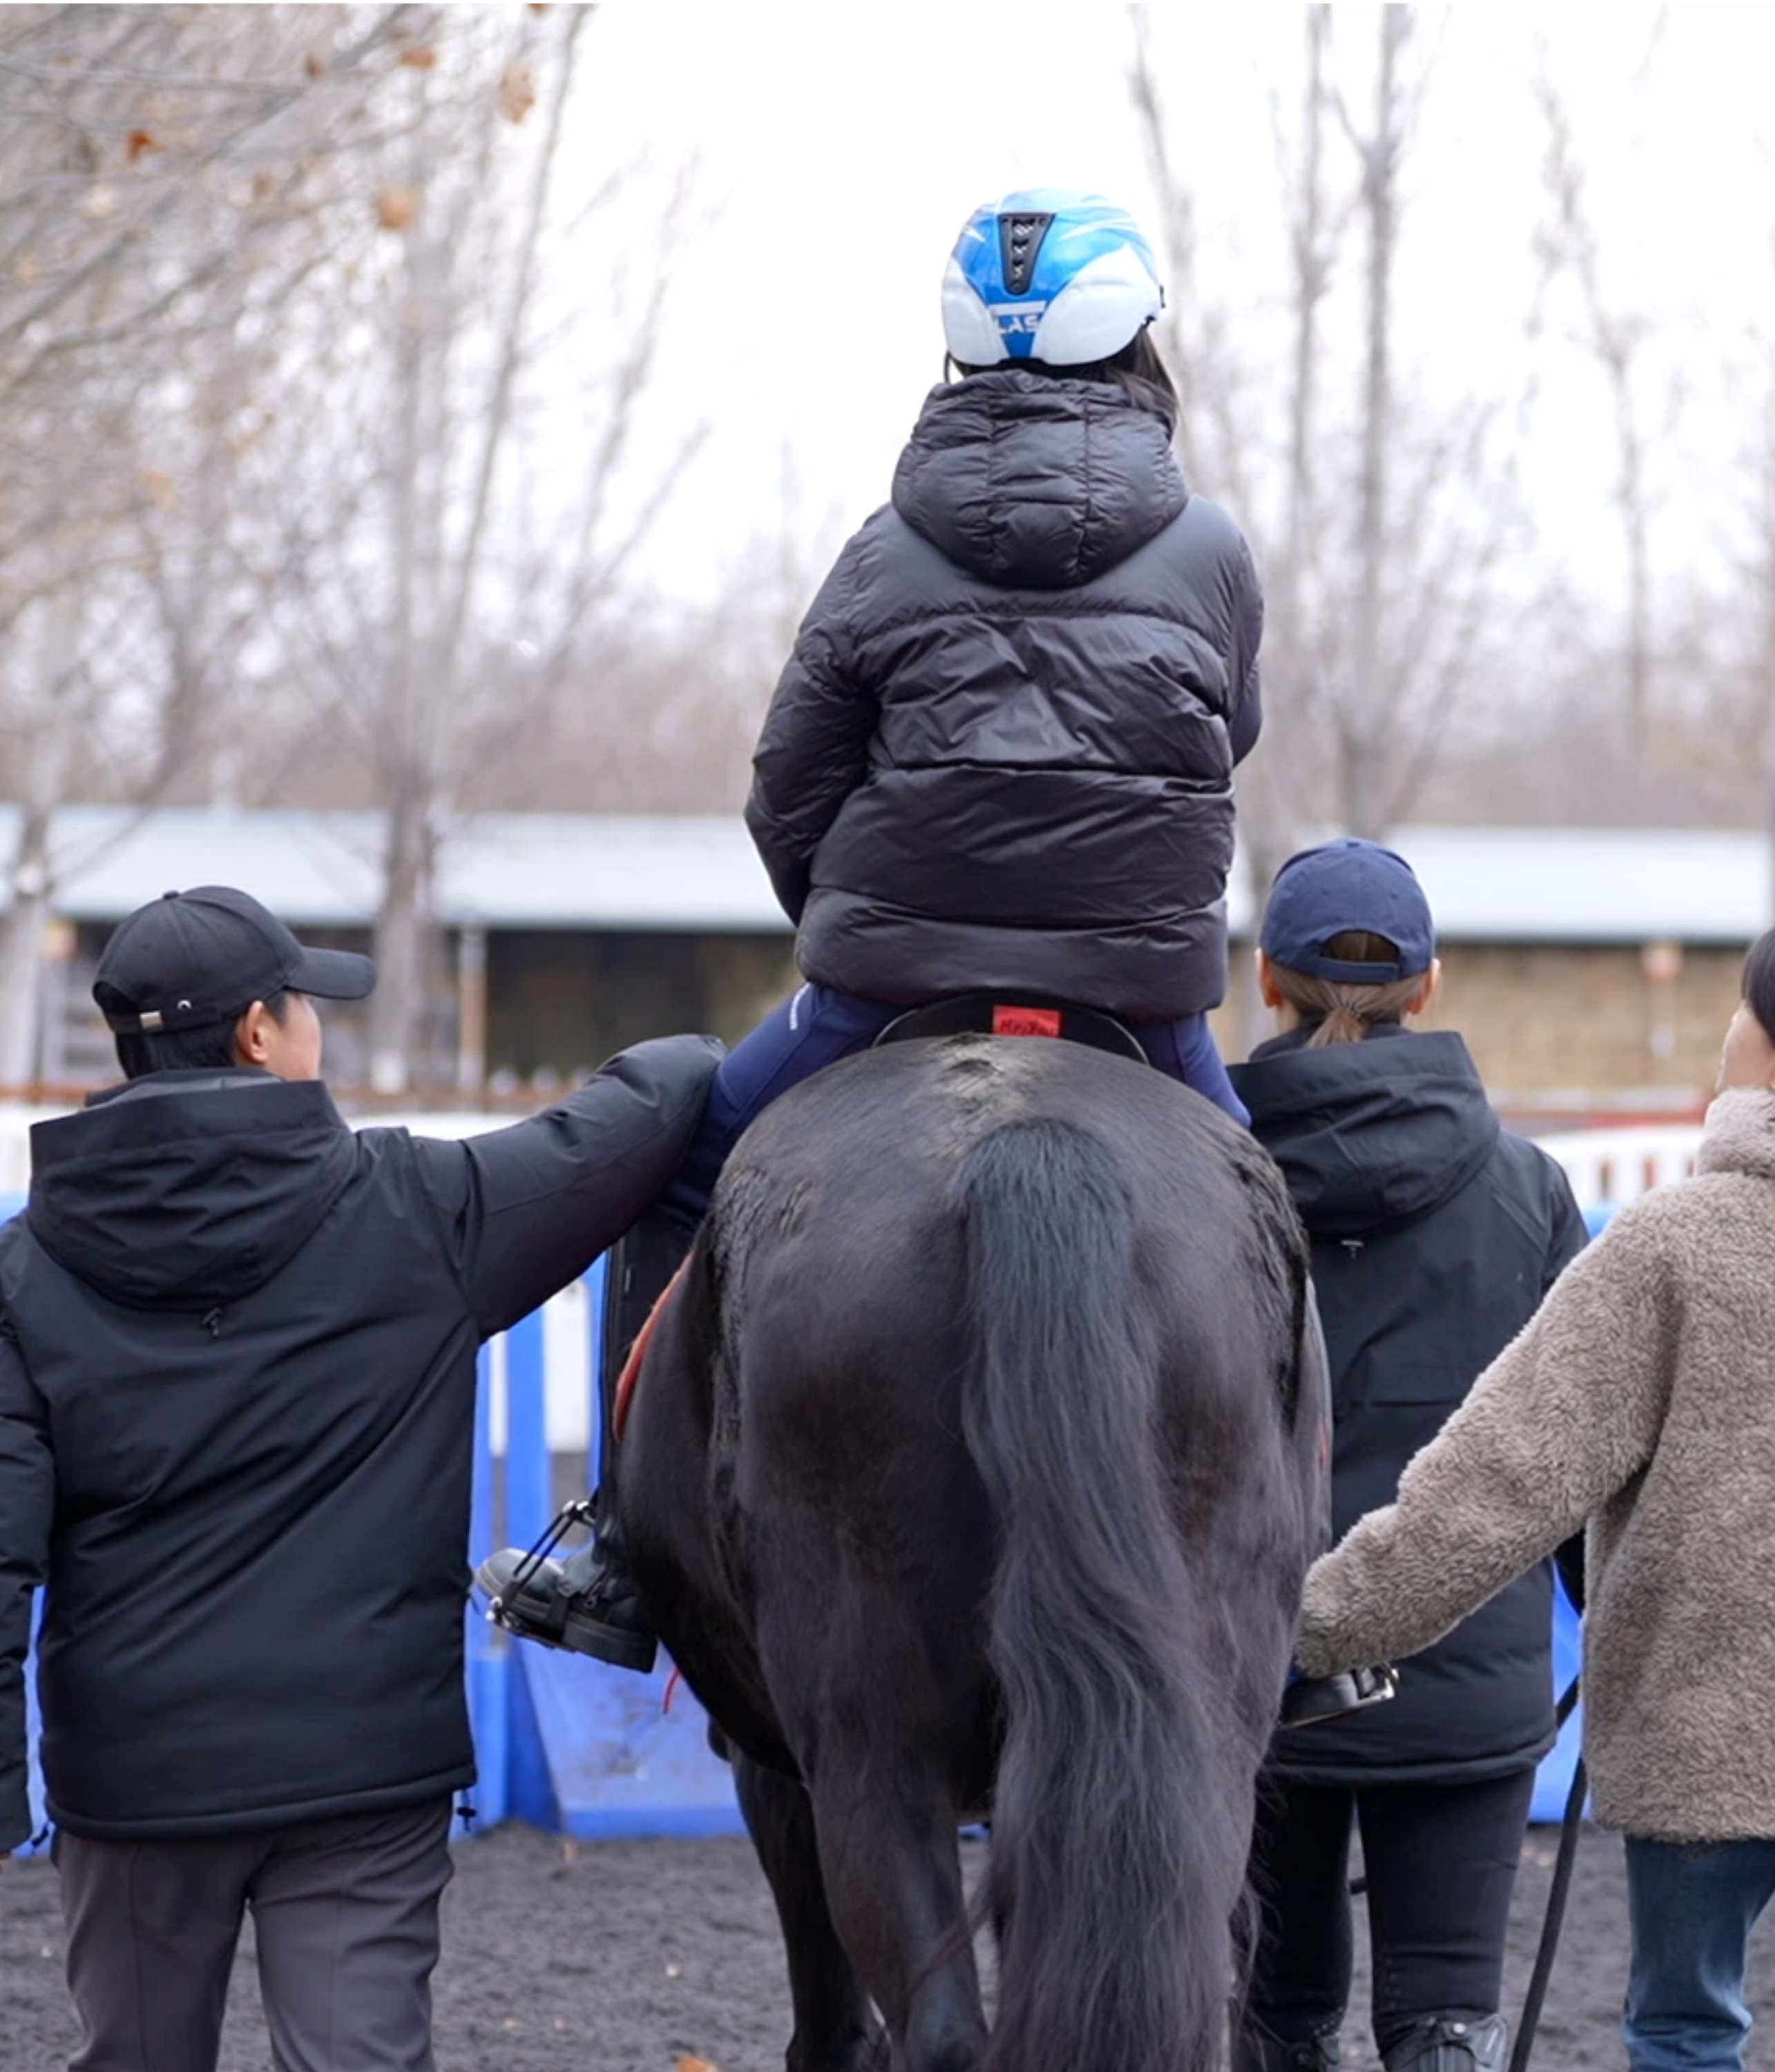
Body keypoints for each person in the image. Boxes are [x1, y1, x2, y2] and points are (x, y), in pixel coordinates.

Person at [481, 185, 1265, 1664]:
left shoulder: (880, 549)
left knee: (683, 1172)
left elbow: (789, 783)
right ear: (1140, 346)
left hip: (883, 986)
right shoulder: (1212, 550)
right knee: (1265, 1223)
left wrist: (845, 922)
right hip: (1144, 1007)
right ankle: (1316, 1564)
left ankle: (613, 1546)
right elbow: (1228, 746)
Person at [1298, 902, 1775, 2072]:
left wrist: (1323, 1624)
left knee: (1683, 2032)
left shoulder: (1671, 1245)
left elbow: (1505, 1475)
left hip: (1702, 1747)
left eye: (1743, 1005)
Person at [0, 886, 720, 2072]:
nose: (316, 1029)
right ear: (255, 1034)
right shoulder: (421, 1210)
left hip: (135, 1775)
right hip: (363, 1772)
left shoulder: (28, 1269)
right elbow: (616, 1134)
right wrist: (711, 1048)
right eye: (304, 1007)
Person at [1227, 841, 1587, 2072]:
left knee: (1272, 2018)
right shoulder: (1528, 1191)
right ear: (1426, 989)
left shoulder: (1203, 1188)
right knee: (1446, 2024)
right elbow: (1581, 1445)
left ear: (1267, 979)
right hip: (1464, 1668)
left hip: (1248, 1673)